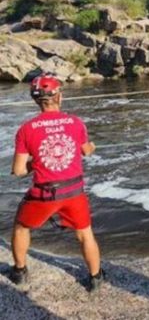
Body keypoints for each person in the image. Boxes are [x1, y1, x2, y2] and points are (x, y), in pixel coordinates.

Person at [9, 73, 104, 291]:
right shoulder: (76, 122)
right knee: (85, 234)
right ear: (58, 96)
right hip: (74, 192)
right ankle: (96, 277)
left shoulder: (26, 129)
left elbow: (18, 170)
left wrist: (36, 164)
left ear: (36, 100)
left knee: (21, 227)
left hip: (44, 194)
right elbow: (86, 151)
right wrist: (92, 148)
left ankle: (20, 271)